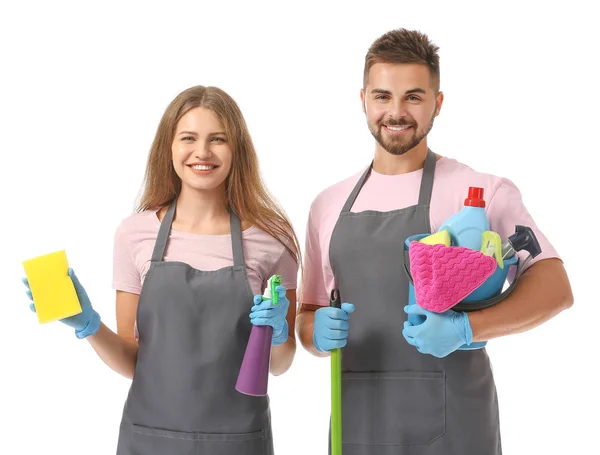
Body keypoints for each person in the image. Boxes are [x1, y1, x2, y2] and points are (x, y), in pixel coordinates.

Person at [296, 29, 573, 454]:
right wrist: (317, 332)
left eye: (413, 97)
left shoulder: (479, 192)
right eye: (383, 96)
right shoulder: (327, 205)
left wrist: (467, 328)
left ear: (437, 103)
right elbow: (309, 314)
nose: (396, 111)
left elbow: (555, 288)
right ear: (364, 100)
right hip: (358, 424)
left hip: (455, 427)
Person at [22, 85, 300, 455]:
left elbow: (279, 366)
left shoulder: (272, 240)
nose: (202, 152)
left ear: (238, 151)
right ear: (168, 147)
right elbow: (132, 360)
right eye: (189, 138)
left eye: (218, 139)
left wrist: (279, 333)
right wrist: (90, 325)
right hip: (150, 440)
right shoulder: (135, 234)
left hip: (237, 442)